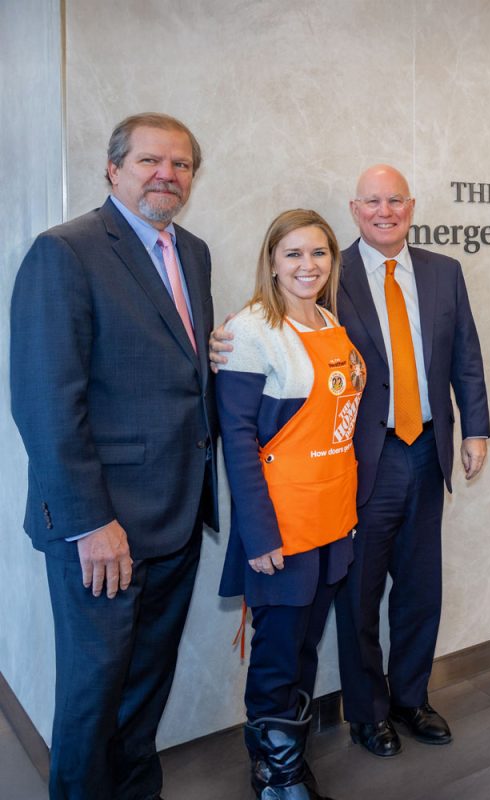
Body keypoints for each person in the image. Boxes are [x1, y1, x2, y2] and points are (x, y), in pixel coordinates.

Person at [212, 165, 489, 758]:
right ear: (354, 208)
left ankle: (412, 696)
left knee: (421, 586)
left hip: (428, 447)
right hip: (361, 458)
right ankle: (367, 712)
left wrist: (477, 429)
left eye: (395, 200)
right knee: (356, 592)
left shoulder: (444, 272)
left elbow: (466, 353)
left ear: (410, 206)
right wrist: (225, 343)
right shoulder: (331, 280)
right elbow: (271, 332)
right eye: (372, 201)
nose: (385, 210)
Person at [10, 113, 217, 800]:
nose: (167, 174)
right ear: (113, 168)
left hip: (177, 518)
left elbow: (183, 374)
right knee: (93, 700)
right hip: (103, 533)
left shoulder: (192, 252)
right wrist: (89, 521)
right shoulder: (65, 253)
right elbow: (45, 404)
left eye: (181, 164)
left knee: (144, 693)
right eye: (151, 161)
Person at [216, 209, 360, 799]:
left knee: (304, 645)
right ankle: (275, 773)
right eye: (294, 254)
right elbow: (239, 439)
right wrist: (260, 533)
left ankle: (289, 757)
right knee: (277, 653)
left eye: (319, 253)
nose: (308, 266)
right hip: (283, 523)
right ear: (272, 261)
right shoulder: (252, 331)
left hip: (333, 517)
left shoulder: (329, 319)